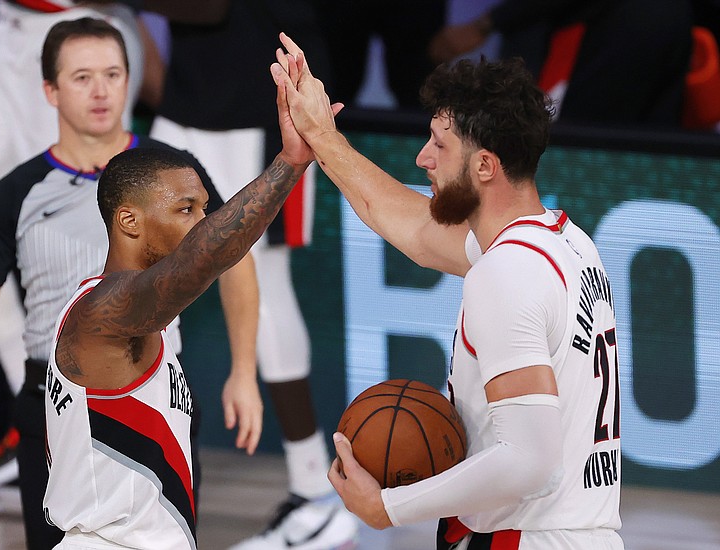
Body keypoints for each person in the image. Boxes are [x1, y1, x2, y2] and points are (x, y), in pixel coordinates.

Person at [272, 34, 623, 549]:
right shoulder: (565, 242)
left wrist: (388, 507)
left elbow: (532, 462)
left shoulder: (507, 273)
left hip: (529, 538)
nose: (422, 159)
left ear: (485, 165)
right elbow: (411, 228)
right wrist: (321, 134)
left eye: (439, 143)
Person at [0, 17, 261, 549]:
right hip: (53, 401)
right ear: (50, 90)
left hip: (158, 397)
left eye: (113, 73)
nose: (101, 90)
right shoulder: (16, 192)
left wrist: (244, 371)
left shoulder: (171, 174)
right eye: (82, 76)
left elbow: (235, 260)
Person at [42, 69, 331, 546]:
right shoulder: (102, 313)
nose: (202, 222)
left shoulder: (141, 316)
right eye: (185, 209)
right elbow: (203, 258)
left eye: (203, 207)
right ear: (130, 221)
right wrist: (290, 162)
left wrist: (242, 371)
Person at [149, 4, 358, 548]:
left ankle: (315, 493)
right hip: (186, 96)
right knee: (148, 278)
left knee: (266, 289)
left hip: (265, 107)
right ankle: (138, 472)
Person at [428, 0, 693, 127]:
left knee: (586, 140)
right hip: (675, 22)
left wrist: (486, 24)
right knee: (653, 138)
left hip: (624, 29)